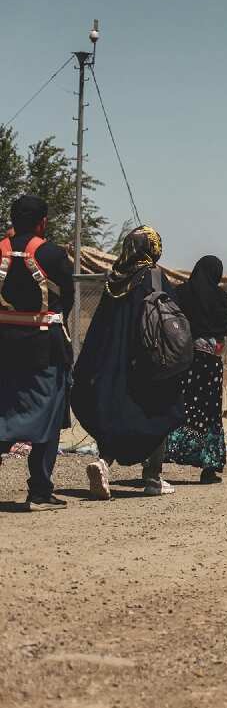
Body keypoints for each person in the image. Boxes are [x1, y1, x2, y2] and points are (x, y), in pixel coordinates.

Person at [72, 226, 185, 497]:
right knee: (162, 408)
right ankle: (153, 478)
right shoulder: (153, 276)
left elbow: (100, 325)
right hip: (147, 358)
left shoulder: (115, 279)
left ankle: (104, 464)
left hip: (113, 360)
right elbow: (168, 314)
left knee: (117, 412)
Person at [0, 195, 75, 510]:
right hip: (43, 347)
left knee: (5, 409)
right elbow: (68, 295)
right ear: (42, 222)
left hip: (4, 345)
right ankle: (40, 490)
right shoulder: (52, 254)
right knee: (47, 413)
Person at [162, 256, 227, 483]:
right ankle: (208, 467)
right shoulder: (220, 296)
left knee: (178, 405)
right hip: (210, 364)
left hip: (185, 360)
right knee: (209, 411)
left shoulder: (182, 292)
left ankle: (158, 462)